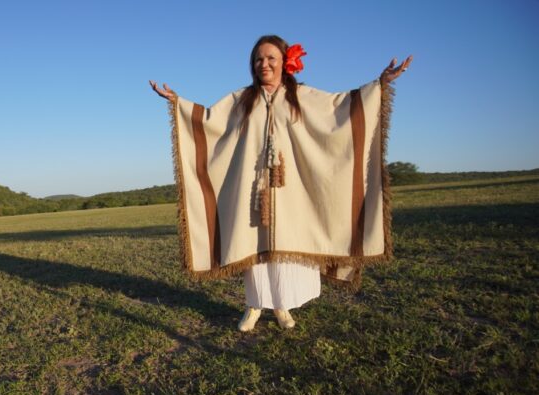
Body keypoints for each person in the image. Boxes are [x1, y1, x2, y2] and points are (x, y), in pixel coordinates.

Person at [151, 35, 411, 332]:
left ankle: (281, 305)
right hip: (254, 191)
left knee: (288, 248)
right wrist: (178, 103)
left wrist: (379, 84)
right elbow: (211, 121)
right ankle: (253, 306)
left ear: (285, 62)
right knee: (255, 249)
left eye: (271, 58)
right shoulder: (240, 101)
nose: (264, 64)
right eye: (258, 59)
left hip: (293, 191)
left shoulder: (303, 96)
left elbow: (339, 109)